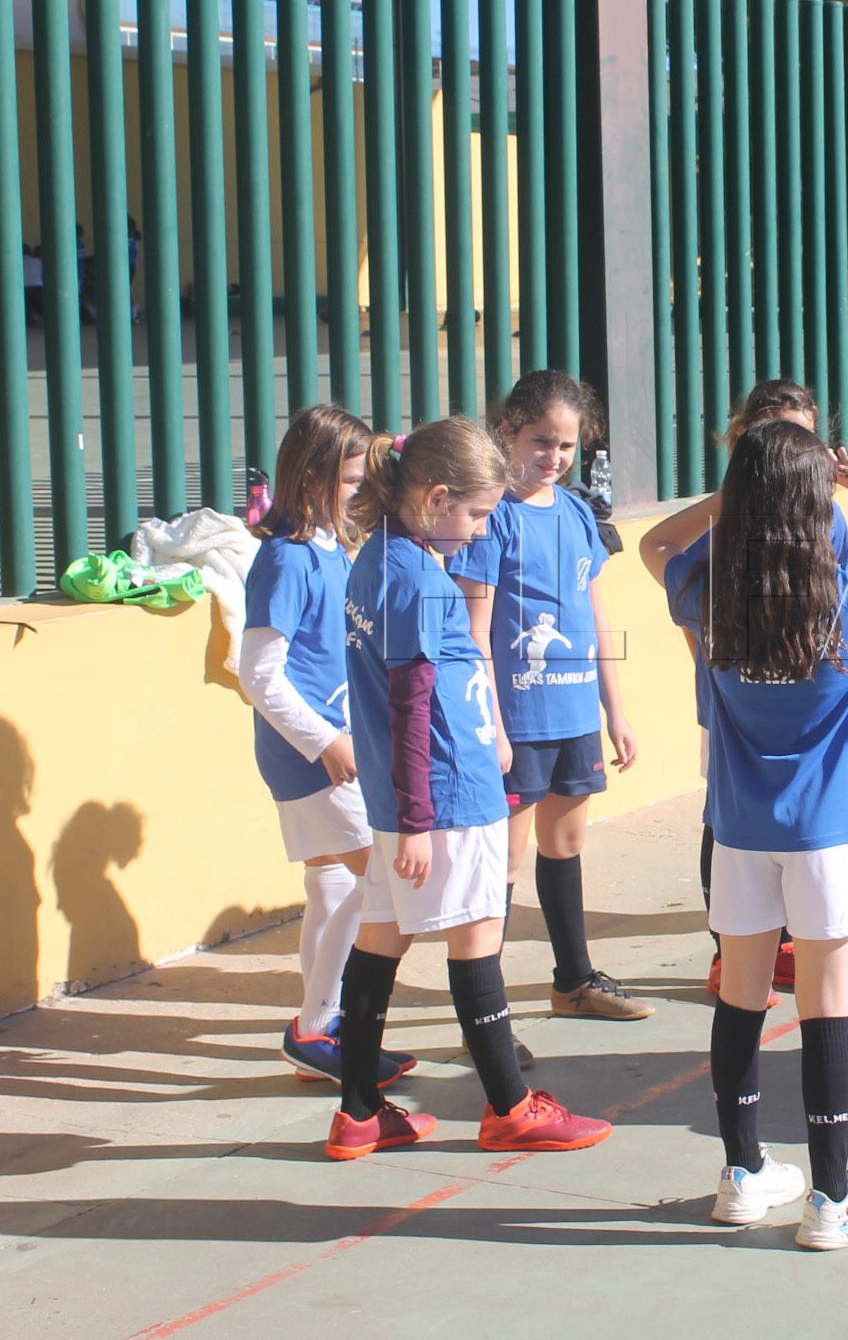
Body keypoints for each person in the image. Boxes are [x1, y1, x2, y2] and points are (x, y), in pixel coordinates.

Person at [642, 424, 848, 1249]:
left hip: (739, 830)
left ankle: (742, 1173)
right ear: (819, 504)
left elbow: (652, 540)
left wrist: (740, 492)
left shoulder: (711, 590)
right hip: (827, 834)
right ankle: (831, 1196)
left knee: (741, 996)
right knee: (826, 1006)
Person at [328, 419, 612, 1160]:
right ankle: (511, 1108)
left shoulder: (381, 556)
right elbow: (411, 701)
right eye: (479, 515)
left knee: (380, 941)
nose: (483, 529)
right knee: (477, 940)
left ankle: (359, 1110)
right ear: (436, 496)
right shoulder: (418, 578)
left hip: (408, 798)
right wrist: (422, 817)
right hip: (447, 794)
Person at [451, 371, 648, 1023]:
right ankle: (486, 1004)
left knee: (564, 849)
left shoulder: (575, 514)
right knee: (502, 863)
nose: (554, 459)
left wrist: (614, 710)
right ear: (508, 432)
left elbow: (595, 615)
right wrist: (494, 725)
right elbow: (475, 632)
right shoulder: (490, 517)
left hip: (572, 716)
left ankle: (573, 983)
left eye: (566, 446)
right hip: (516, 722)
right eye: (542, 442)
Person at [240, 404, 418, 1092]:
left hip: (333, 746)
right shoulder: (286, 561)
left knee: (335, 879)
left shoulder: (330, 551)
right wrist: (324, 742)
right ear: (311, 477)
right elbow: (259, 673)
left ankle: (321, 1021)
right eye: (350, 480)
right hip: (314, 753)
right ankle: (318, 1025)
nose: (361, 492)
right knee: (376, 874)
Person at [684, 380, 848, 998]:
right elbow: (691, 607)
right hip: (735, 699)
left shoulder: (830, 517)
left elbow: (839, 607)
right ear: (747, 443)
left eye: (803, 437)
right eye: (775, 437)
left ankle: (782, 941)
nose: (791, 450)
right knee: (727, 819)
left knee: (795, 828)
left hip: (803, 701)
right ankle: (728, 950)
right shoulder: (724, 520)